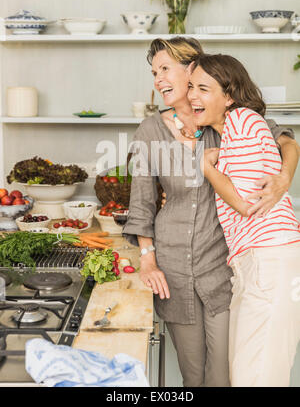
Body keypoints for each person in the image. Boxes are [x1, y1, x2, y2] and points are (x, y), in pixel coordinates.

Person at [122, 37, 300, 387]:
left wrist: (283, 178)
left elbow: (286, 141)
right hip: (173, 271)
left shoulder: (227, 119)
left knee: (229, 373)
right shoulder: (150, 130)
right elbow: (142, 201)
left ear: (191, 71)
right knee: (193, 376)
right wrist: (148, 258)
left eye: (165, 69)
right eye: (154, 72)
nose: (157, 80)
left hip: (223, 268)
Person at [187, 53, 300, 387]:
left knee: (256, 378)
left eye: (203, 88)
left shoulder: (244, 121)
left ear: (229, 96)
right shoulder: (232, 132)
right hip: (256, 261)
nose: (193, 95)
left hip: (269, 259)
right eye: (191, 86)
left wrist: (204, 166)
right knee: (248, 374)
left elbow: (243, 204)